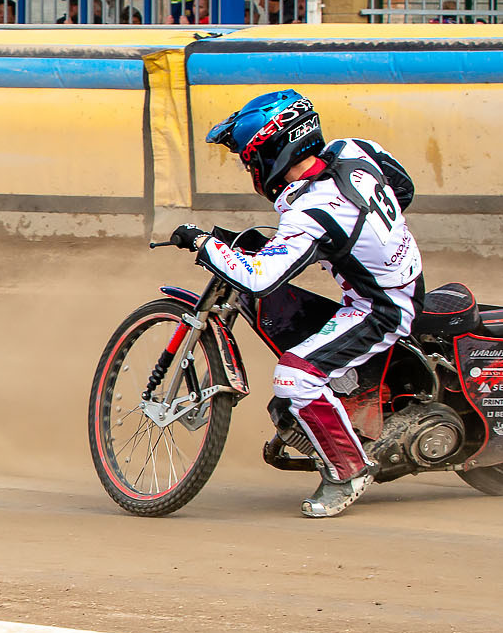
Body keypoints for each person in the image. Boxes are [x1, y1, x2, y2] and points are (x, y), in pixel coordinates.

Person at [165, 89, 422, 519]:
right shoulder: (356, 149)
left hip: (380, 308)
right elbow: (403, 188)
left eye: (250, 160)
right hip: (401, 280)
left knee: (294, 377)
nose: (251, 169)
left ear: (272, 152)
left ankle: (349, 471)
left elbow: (259, 279)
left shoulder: (311, 210)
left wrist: (202, 242)